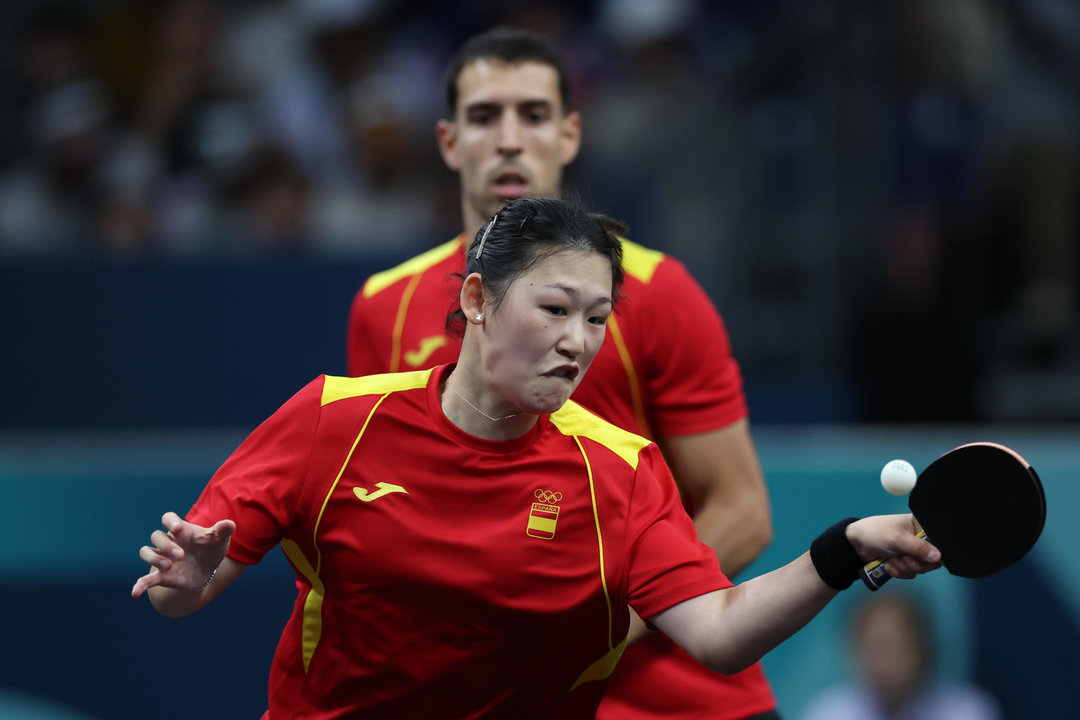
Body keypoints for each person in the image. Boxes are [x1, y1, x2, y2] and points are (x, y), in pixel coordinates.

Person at [132, 195, 942, 719]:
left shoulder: (620, 470)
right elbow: (178, 597)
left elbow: (720, 634)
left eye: (597, 319)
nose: (576, 341)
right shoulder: (333, 419)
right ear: (477, 300)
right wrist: (189, 582)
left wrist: (846, 548)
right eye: (554, 308)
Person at [345, 27, 778, 720]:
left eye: (535, 115)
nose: (511, 139)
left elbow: (743, 512)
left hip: (678, 703)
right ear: (450, 141)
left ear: (570, 136)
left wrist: (588, 633)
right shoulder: (383, 309)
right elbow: (382, 512)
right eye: (485, 116)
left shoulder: (659, 292)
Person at [799, 592, 1002, 720]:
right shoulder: (829, 711)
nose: (881, 661)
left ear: (922, 648)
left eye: (891, 646)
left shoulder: (968, 710)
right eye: (870, 647)